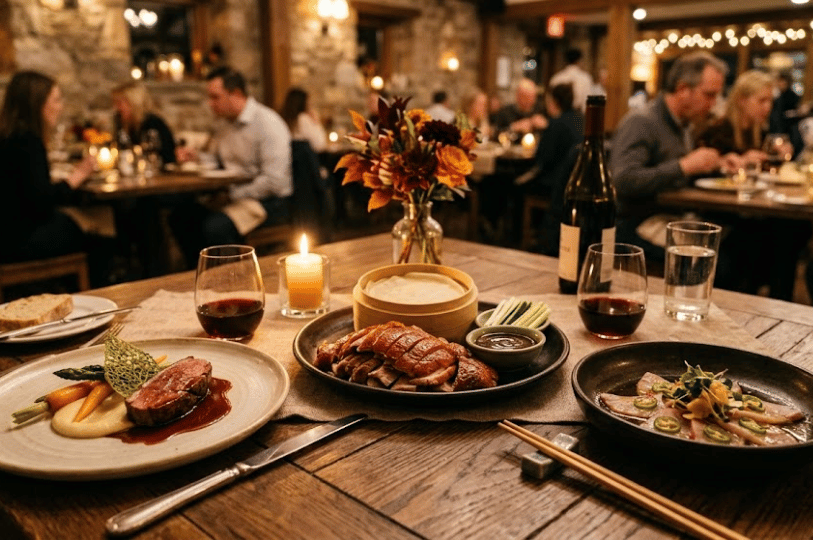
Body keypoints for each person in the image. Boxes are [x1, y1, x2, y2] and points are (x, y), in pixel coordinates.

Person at [610, 51, 731, 268]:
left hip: (672, 217)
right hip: (636, 224)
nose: (713, 104)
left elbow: (678, 174)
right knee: (722, 260)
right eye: (709, 95)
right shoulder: (642, 121)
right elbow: (623, 179)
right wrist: (684, 166)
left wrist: (718, 165)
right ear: (683, 89)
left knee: (743, 239)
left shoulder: (683, 124)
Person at [696, 69, 810, 300]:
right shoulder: (718, 131)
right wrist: (739, 163)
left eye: (770, 101)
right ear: (741, 100)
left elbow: (766, 175)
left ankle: (776, 303)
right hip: (722, 214)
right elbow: (705, 171)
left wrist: (776, 158)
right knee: (779, 237)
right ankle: (769, 301)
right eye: (762, 100)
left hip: (752, 210)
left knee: (792, 232)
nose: (767, 107)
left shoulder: (761, 132)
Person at [169, 66, 293, 269]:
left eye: (215, 97)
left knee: (215, 226)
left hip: (270, 201)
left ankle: (231, 281)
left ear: (235, 94)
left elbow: (274, 181)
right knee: (181, 216)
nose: (210, 104)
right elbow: (219, 161)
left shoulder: (268, 123)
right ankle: (200, 274)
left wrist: (233, 195)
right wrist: (197, 157)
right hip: (235, 195)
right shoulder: (225, 125)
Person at [0, 70, 108, 282]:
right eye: (56, 100)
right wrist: (76, 177)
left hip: (7, 234)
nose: (61, 106)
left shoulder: (8, 136)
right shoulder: (28, 141)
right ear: (37, 104)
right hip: (17, 240)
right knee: (98, 237)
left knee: (83, 224)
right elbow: (41, 203)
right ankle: (98, 295)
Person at [513, 83, 584, 253]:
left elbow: (543, 159)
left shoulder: (557, 123)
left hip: (556, 185)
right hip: (576, 183)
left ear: (553, 101)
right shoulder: (580, 119)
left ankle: (517, 240)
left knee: (515, 188)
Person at [111, 81, 176, 167]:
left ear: (133, 103)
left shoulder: (154, 123)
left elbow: (167, 158)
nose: (116, 108)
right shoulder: (121, 123)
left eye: (119, 103)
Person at [281, 87, 327, 152]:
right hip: (307, 160)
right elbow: (320, 145)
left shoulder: (284, 120)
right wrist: (316, 122)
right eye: (308, 100)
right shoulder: (303, 119)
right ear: (303, 102)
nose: (310, 103)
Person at [549, 48, 594, 113]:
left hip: (558, 115)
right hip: (577, 117)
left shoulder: (556, 78)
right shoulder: (585, 78)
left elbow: (551, 101)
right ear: (580, 61)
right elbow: (586, 103)